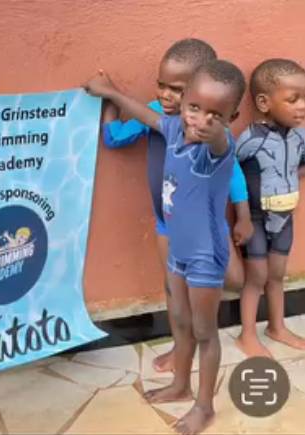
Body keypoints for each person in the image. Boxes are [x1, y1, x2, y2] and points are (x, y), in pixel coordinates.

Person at [85, 59, 246, 435]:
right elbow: (145, 113)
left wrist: (216, 133)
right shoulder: (173, 128)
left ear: (232, 118)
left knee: (204, 332)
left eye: (216, 115)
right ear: (184, 100)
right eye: (195, 107)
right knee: (179, 319)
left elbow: (219, 141)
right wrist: (110, 93)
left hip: (206, 256)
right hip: (177, 249)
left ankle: (204, 407)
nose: (201, 120)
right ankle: (180, 384)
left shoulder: (217, 149)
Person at [101, 39, 253, 373]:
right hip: (167, 225)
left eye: (177, 90)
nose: (166, 96)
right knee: (174, 290)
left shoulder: (214, 134)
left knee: (236, 280)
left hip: (206, 226)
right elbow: (114, 137)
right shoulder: (156, 115)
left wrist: (242, 214)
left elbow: (233, 172)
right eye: (162, 86)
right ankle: (180, 347)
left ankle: (205, 327)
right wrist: (109, 98)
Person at [235, 58, 305, 357]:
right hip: (254, 218)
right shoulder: (251, 139)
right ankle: (247, 334)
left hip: (285, 217)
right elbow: (230, 170)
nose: (302, 106)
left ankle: (277, 326)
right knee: (256, 277)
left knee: (277, 275)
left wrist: (288, 179)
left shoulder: (300, 135)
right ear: (264, 102)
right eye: (293, 99)